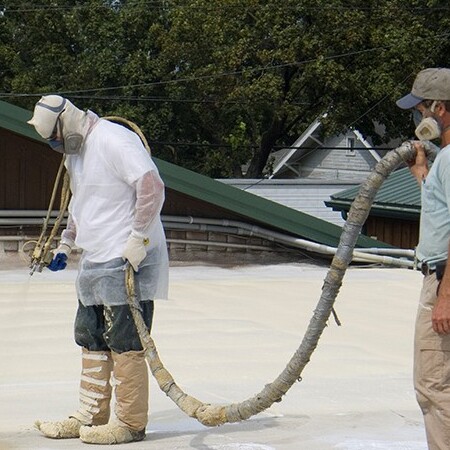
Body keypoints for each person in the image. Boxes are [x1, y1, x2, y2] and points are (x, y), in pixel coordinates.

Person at [27, 95, 169, 445]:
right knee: (90, 336)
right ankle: (90, 413)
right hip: (94, 260)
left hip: (126, 258)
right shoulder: (77, 155)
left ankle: (131, 422)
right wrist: (65, 243)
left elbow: (151, 186)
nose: (55, 145)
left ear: (67, 122)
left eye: (55, 138)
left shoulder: (114, 139)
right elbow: (81, 202)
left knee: (125, 340)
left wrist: (138, 238)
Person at [397, 67, 450, 450]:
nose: (419, 118)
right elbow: (441, 208)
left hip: (444, 278)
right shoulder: (444, 161)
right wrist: (421, 172)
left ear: (441, 108)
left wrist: (446, 295)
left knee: (433, 385)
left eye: (421, 110)